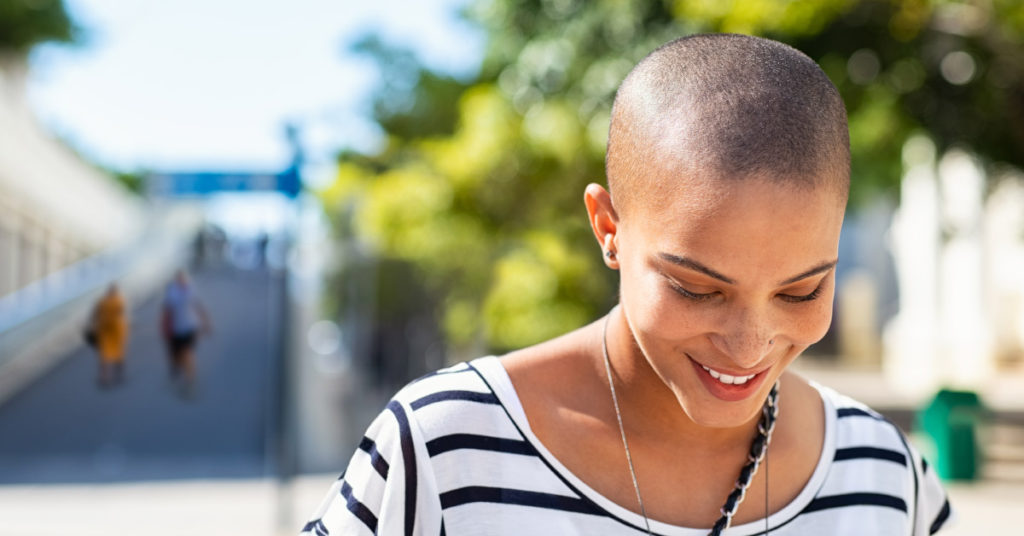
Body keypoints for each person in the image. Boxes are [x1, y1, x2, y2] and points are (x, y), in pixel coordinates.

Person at [302, 34, 951, 535]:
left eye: (801, 291)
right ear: (608, 227)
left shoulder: (885, 476)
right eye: (698, 288)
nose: (750, 344)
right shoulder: (445, 449)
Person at [161, 269, 211, 395]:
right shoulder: (171, 293)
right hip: (176, 329)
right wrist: (163, 327)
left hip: (190, 327)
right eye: (180, 279)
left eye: (184, 279)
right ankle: (180, 370)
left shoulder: (191, 291)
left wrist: (206, 323)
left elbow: (199, 307)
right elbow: (166, 312)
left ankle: (190, 382)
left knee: (188, 353)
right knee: (178, 356)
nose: (182, 281)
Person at [89, 283, 129, 388]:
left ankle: (104, 377)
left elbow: (94, 314)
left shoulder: (102, 301)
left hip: (105, 329)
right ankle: (118, 374)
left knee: (104, 355)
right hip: (116, 329)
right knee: (118, 353)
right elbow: (121, 313)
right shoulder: (119, 300)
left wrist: (93, 325)